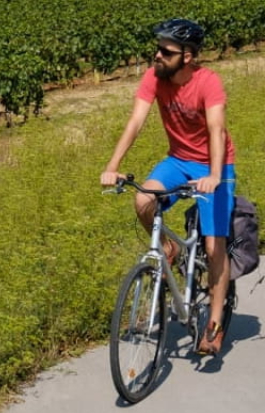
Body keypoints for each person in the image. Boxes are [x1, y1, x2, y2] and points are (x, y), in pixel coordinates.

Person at [101, 19, 237, 356]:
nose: (157, 55)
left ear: (188, 56)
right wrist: (112, 166)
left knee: (213, 243)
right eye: (157, 48)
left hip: (214, 165)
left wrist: (215, 176)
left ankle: (215, 323)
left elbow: (217, 130)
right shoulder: (154, 77)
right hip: (177, 160)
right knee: (143, 201)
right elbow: (135, 122)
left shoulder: (208, 83)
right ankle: (168, 249)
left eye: (166, 51)